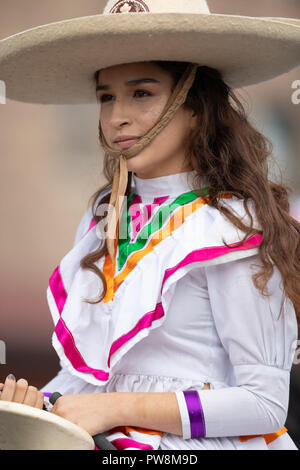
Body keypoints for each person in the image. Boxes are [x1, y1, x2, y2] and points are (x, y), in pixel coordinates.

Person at [0, 0, 299, 451]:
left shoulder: (235, 228)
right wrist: (40, 405)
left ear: (195, 106)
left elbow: (264, 404)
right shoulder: (106, 214)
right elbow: (93, 376)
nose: (117, 115)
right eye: (106, 96)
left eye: (141, 93)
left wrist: (116, 407)